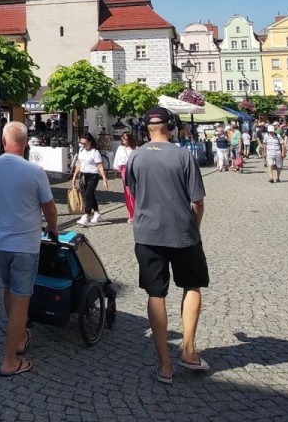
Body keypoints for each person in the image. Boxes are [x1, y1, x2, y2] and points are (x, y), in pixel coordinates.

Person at [127, 106, 209, 385]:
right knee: (192, 285)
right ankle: (188, 350)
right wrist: (194, 227)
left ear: (145, 128)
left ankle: (164, 365)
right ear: (170, 126)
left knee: (155, 294)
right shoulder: (183, 155)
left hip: (147, 233)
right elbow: (197, 200)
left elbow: (134, 194)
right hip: (183, 232)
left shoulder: (136, 157)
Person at [0, 121, 59, 378]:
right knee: (21, 299)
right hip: (24, 244)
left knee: (8, 289)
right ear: (26, 144)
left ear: (4, 141)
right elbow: (49, 208)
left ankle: (21, 336)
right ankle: (9, 360)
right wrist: (54, 228)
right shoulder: (34, 171)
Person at [75, 132, 108, 226]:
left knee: (88, 195)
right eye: (81, 143)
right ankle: (97, 213)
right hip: (83, 175)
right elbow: (79, 163)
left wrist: (104, 179)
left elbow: (100, 166)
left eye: (84, 143)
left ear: (89, 142)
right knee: (90, 195)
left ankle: (86, 215)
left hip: (93, 175)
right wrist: (74, 176)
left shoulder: (95, 152)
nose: (82, 145)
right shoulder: (81, 151)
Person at [113, 131, 137, 223]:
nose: (122, 140)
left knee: (134, 191)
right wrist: (115, 170)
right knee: (127, 191)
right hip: (124, 169)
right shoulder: (120, 148)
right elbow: (117, 159)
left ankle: (136, 213)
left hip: (133, 168)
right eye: (122, 138)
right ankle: (131, 213)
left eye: (124, 138)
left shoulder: (135, 148)